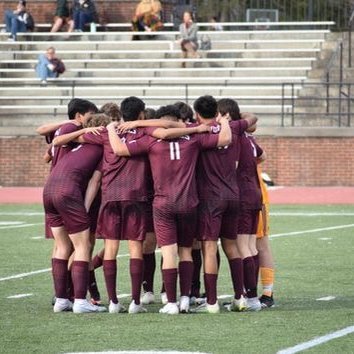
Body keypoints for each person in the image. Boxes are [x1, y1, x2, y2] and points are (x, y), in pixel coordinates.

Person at [109, 100, 232, 315]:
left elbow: (119, 149)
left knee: (168, 253)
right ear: (179, 122)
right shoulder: (194, 138)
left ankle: (172, 303)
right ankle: (185, 298)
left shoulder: (151, 140)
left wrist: (111, 128)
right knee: (186, 252)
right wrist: (222, 121)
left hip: (163, 203)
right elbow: (224, 138)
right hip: (189, 202)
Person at [44, 113, 107, 314]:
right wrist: (86, 209)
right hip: (68, 190)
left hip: (48, 189)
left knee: (62, 246)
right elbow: (94, 182)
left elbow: (54, 143)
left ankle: (62, 299)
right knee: (83, 246)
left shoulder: (76, 140)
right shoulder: (102, 142)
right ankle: (80, 300)